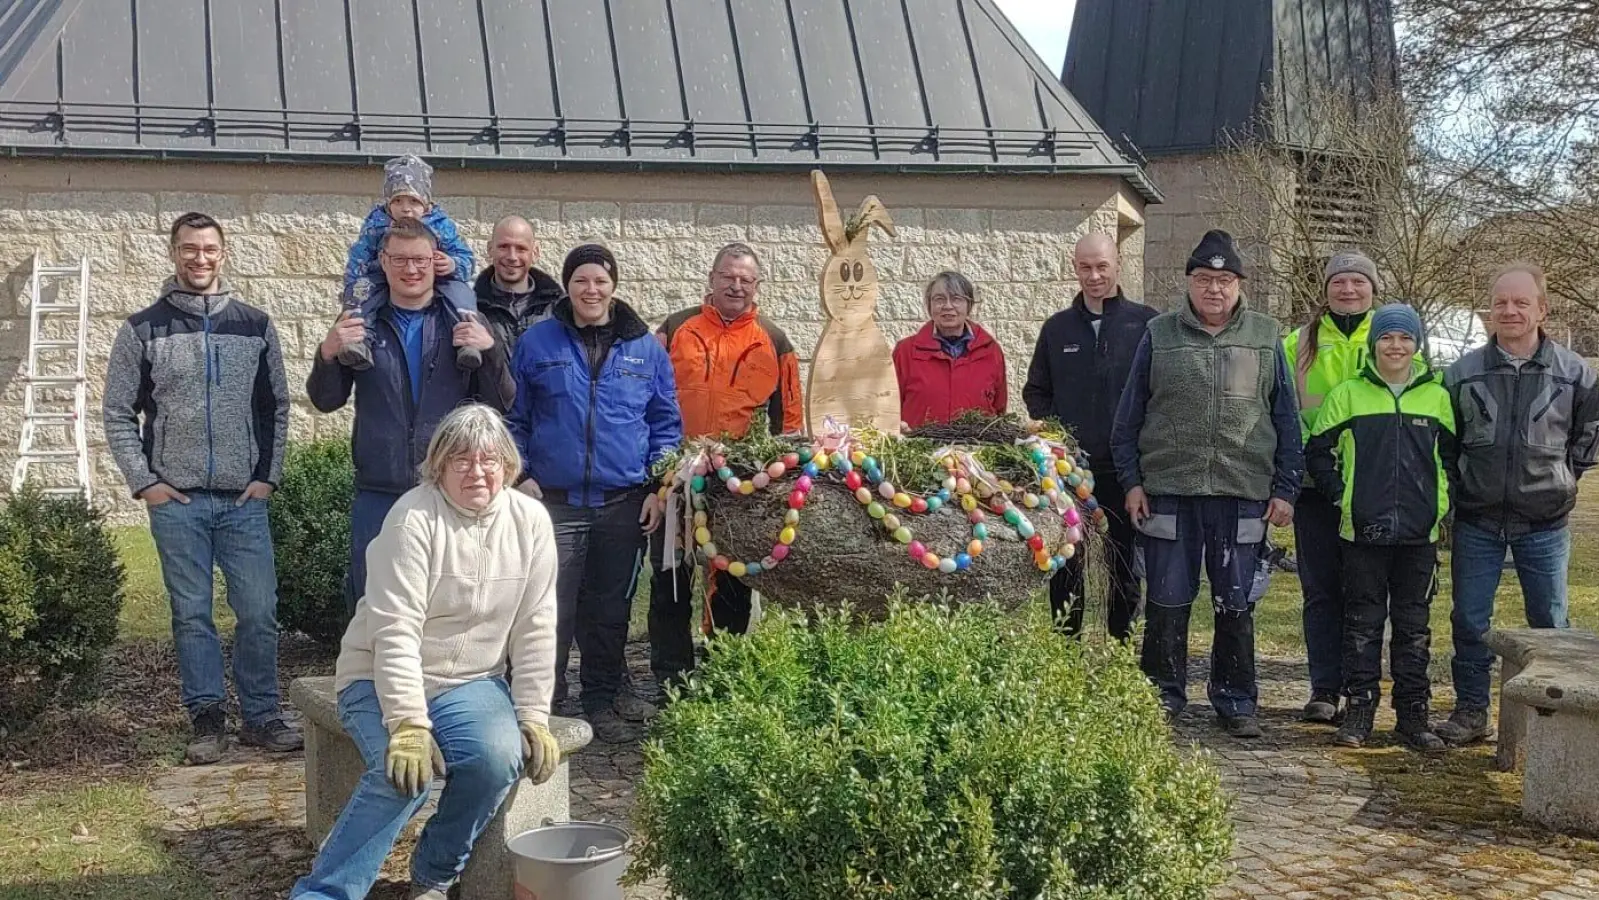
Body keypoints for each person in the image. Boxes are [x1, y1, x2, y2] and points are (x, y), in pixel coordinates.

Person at [288, 404, 561, 900]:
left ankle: (434, 874)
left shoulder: (531, 522)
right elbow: (395, 630)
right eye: (460, 460)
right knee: (402, 776)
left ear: (508, 464)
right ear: (438, 466)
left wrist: (533, 714)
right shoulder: (412, 517)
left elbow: (537, 625)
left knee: (497, 758)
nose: (476, 471)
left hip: (470, 682)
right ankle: (323, 891)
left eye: (489, 459)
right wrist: (409, 724)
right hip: (376, 675)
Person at [102, 212, 301, 764]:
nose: (200, 258)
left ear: (223, 253)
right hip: (178, 501)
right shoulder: (143, 329)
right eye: (189, 249)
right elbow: (118, 412)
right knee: (193, 613)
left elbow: (276, 407)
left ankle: (262, 715)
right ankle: (207, 718)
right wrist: (145, 483)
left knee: (259, 610)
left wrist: (267, 477)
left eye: (209, 249)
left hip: (243, 501)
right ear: (173, 254)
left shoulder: (255, 325)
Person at [1111, 229, 1302, 739]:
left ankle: (1236, 700)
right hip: (1169, 490)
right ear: (1189, 283)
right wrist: (1131, 482)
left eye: (1223, 279)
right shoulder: (1159, 334)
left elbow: (1286, 418)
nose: (1213, 289)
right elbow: (1128, 418)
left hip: (1243, 493)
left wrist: (1286, 488)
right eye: (1203, 279)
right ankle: (1162, 695)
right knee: (1167, 602)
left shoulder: (1265, 335)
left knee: (1235, 604)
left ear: (1239, 284)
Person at [508, 244, 683, 743]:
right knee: (549, 610)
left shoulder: (645, 349)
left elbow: (665, 425)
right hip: (554, 503)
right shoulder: (538, 343)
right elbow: (514, 419)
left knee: (610, 611)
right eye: (581, 280)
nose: (591, 290)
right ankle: (545, 704)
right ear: (567, 285)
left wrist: (657, 487)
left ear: (613, 286)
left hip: (623, 504)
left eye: (600, 281)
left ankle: (601, 699)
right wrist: (520, 474)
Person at [307, 222, 512, 619]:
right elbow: (326, 400)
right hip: (378, 492)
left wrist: (491, 352)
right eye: (399, 259)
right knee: (371, 603)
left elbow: (501, 403)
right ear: (383, 262)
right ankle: (370, 681)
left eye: (419, 259)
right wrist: (327, 353)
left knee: (447, 602)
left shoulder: (464, 320)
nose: (411, 269)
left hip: (446, 492)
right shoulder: (362, 324)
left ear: (435, 262)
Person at [1439, 262, 1599, 746]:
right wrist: (1461, 484)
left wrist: (1562, 476)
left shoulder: (1575, 374)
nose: (1509, 311)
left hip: (1545, 522)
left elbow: (1590, 434)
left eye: (1520, 302)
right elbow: (1447, 442)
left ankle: (1549, 723)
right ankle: (1471, 711)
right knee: (1469, 620)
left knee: (1550, 624)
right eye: (1501, 303)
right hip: (1477, 519)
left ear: (1542, 309)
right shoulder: (1461, 373)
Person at [649, 243, 803, 692]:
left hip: (741, 481)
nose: (736, 285)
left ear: (757, 286)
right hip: (674, 473)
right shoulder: (675, 329)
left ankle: (724, 674)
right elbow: (645, 396)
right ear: (712, 278)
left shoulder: (774, 341)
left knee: (734, 579)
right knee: (670, 578)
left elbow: (789, 423)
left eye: (746, 280)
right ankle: (670, 678)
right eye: (728, 276)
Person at [1304, 304, 1455, 751]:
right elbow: (1318, 452)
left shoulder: (1437, 397)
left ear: (1417, 345)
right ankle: (1360, 712)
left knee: (1413, 629)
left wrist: (1439, 506)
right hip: (1362, 533)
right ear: (1374, 345)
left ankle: (1413, 717)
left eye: (1405, 338)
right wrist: (1341, 495)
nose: (1396, 346)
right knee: (1362, 625)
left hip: (1418, 536)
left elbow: (1450, 461)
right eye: (1387, 338)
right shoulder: (1349, 394)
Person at [1024, 233, 1156, 639]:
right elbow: (1036, 391)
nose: (1094, 276)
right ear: (1075, 267)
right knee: (1067, 562)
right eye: (1085, 267)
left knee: (1124, 566)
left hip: (1125, 470)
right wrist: (1058, 433)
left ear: (1117, 264)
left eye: (1102, 266)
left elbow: (1159, 392)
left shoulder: (1146, 324)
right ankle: (1067, 649)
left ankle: (1121, 648)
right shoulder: (1057, 328)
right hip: (1070, 472)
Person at [1282, 250, 1379, 724]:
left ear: (1372, 288)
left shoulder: (1393, 336)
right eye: (1339, 281)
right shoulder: (1298, 343)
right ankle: (1323, 687)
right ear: (1325, 289)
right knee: (1320, 589)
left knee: (1365, 592)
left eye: (1358, 282)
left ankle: (1361, 688)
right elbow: (1282, 412)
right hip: (1314, 487)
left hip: (1372, 487)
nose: (1348, 290)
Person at [339, 154, 481, 371]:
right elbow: (360, 254)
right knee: (362, 295)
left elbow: (466, 256)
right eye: (398, 201)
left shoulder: (439, 224)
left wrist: (453, 264)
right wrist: (354, 283)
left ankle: (466, 343)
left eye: (414, 201)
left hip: (434, 275)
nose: (406, 209)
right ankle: (359, 342)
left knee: (460, 293)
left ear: (426, 205)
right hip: (382, 273)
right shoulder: (376, 224)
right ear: (388, 203)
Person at [892, 270, 1007, 428]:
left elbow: (1000, 408)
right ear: (929, 306)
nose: (948, 306)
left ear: (969, 305)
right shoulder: (905, 352)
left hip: (977, 449)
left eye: (956, 299)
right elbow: (890, 407)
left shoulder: (991, 351)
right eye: (939, 299)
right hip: (919, 449)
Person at [473, 215, 565, 348]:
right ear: (490, 249)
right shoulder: (471, 307)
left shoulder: (559, 310)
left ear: (535, 253)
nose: (512, 257)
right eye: (503, 247)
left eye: (521, 248)